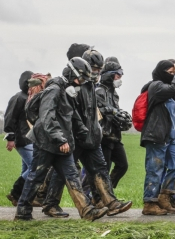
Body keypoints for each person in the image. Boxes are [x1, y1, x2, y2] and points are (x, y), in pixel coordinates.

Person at [14, 58, 109, 221]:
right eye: (81, 78)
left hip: (61, 143)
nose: (82, 82)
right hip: (46, 142)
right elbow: (47, 117)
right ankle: (22, 211)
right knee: (36, 176)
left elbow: (72, 115)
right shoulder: (55, 89)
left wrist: (83, 131)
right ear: (72, 73)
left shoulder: (68, 90)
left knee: (72, 175)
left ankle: (87, 211)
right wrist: (60, 140)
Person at [43, 46, 132, 218]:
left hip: (92, 137)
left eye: (99, 70)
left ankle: (110, 202)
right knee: (62, 173)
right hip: (76, 137)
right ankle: (50, 204)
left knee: (100, 169)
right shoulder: (73, 85)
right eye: (95, 69)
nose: (97, 73)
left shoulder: (91, 85)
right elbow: (71, 113)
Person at [140, 60, 175, 215]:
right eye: (171, 72)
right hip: (156, 135)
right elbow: (174, 88)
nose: (174, 76)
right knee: (155, 169)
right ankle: (149, 203)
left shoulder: (170, 93)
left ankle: (164, 197)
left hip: (170, 137)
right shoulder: (156, 86)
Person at [96, 58, 130, 188]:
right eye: (117, 75)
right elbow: (101, 111)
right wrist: (115, 113)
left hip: (115, 136)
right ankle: (99, 196)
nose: (120, 78)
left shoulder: (114, 94)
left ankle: (108, 190)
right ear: (109, 75)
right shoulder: (99, 91)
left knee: (123, 165)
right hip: (104, 136)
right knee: (104, 168)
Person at [4, 71, 34, 206]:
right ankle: (16, 192)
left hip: (29, 139)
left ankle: (21, 198)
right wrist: (11, 138)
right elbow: (10, 118)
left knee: (26, 168)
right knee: (35, 167)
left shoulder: (28, 97)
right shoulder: (19, 98)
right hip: (22, 139)